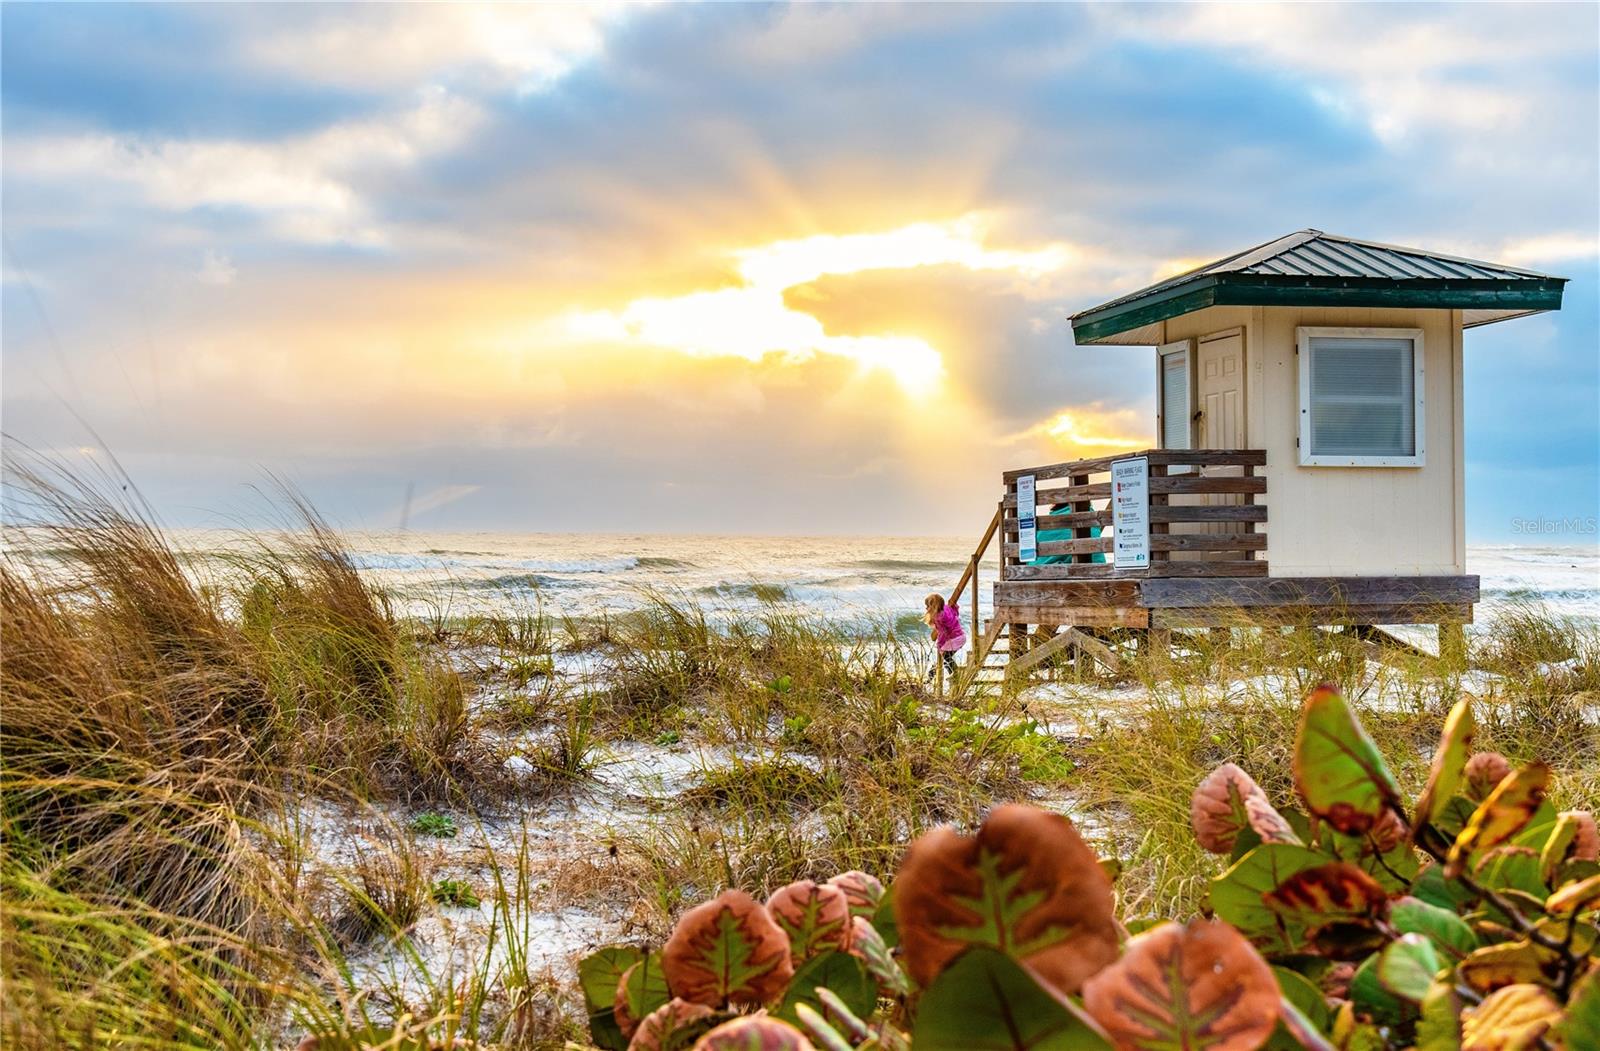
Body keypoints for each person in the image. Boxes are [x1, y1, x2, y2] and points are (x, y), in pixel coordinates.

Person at [923, 592, 966, 681]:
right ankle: (930, 676)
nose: (926, 608)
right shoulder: (946, 608)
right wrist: (955, 606)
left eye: (927, 606)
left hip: (953, 640)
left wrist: (940, 645)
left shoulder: (939, 619)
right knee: (944, 659)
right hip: (961, 637)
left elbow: (943, 633)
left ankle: (956, 673)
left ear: (933, 607)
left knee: (946, 658)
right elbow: (955, 613)